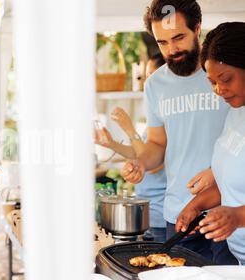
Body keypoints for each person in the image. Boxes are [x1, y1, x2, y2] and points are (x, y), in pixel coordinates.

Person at [120, 0, 237, 264]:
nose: (172, 50)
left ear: (197, 28)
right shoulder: (155, 85)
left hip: (229, 209)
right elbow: (157, 145)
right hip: (180, 212)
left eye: (178, 37)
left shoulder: (228, 75)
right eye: (162, 42)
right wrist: (141, 162)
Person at [176, 22, 245, 265]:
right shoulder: (236, 112)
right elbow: (231, 185)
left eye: (225, 79)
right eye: (212, 82)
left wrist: (237, 216)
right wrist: (195, 206)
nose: (218, 89)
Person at [95, 53, 167, 242]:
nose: (147, 82)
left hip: (159, 214)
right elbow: (138, 153)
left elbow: (152, 161)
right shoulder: (156, 115)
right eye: (146, 76)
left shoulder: (169, 117)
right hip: (147, 212)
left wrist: (128, 128)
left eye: (152, 75)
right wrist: (110, 143)